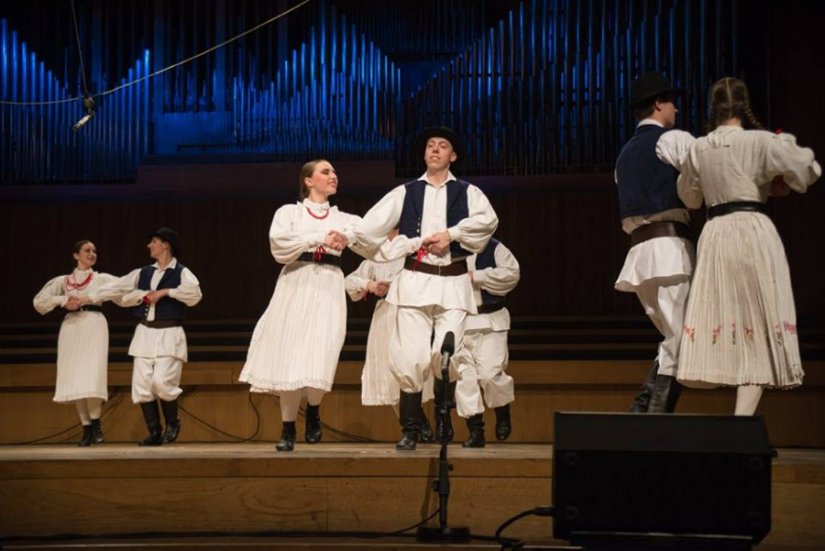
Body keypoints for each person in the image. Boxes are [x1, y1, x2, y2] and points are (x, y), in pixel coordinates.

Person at [676, 77, 820, 415]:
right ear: (744, 106)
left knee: (730, 315)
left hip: (718, 231)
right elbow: (808, 170)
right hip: (753, 230)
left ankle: (740, 421)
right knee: (756, 314)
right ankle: (741, 421)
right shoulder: (763, 141)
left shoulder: (699, 148)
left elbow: (690, 198)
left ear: (714, 108)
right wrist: (771, 178)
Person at [353, 127, 499, 450]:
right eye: (430, 146)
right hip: (415, 281)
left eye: (443, 146)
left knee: (444, 354)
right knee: (411, 355)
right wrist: (402, 246)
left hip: (453, 282)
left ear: (453, 155)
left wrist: (453, 233)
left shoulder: (467, 192)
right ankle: (410, 428)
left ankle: (443, 418)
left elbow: (488, 222)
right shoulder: (406, 192)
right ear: (424, 154)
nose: (435, 150)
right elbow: (367, 228)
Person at [239, 159, 365, 452]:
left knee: (323, 350)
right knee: (291, 353)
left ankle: (314, 408)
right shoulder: (289, 213)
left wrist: (346, 237)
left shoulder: (344, 218)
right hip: (296, 282)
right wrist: (320, 236)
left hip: (329, 283)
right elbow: (280, 245)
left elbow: (369, 235)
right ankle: (287, 428)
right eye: (326, 171)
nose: (333, 175)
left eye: (335, 171)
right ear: (308, 181)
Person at [614, 72, 696, 414]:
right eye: (671, 102)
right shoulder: (671, 140)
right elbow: (700, 172)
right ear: (658, 104)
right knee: (682, 339)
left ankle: (642, 407)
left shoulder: (623, 155)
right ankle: (652, 420)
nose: (675, 109)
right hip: (668, 251)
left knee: (674, 337)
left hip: (640, 253)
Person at [91, 228, 202, 445]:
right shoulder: (143, 272)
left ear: (166, 244)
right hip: (145, 333)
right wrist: (87, 297)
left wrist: (166, 292)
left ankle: (173, 422)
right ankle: (154, 432)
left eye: (154, 241)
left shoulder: (181, 272)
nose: (149, 246)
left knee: (161, 382)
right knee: (142, 386)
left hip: (169, 333)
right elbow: (115, 287)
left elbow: (195, 295)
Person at [344, 231, 434, 441]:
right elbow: (350, 281)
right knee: (388, 371)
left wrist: (396, 286)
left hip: (410, 310)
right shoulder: (377, 256)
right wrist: (371, 285)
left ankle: (417, 418)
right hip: (385, 317)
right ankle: (409, 425)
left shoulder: (414, 251)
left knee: (410, 365)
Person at [33, 240, 124, 446]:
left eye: (94, 251)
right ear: (76, 255)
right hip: (72, 327)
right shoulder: (63, 281)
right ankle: (86, 430)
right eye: (87, 250)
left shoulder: (100, 279)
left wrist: (90, 296)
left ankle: (96, 424)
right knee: (76, 377)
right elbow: (39, 301)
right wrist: (63, 301)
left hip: (93, 324)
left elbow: (122, 288)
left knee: (92, 374)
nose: (92, 254)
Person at [460, 237, 520, 448]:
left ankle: (502, 409)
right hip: (460, 320)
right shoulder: (448, 251)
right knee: (465, 379)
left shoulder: (494, 248)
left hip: (491, 319)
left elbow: (511, 274)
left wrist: (476, 276)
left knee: (489, 375)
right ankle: (475, 430)